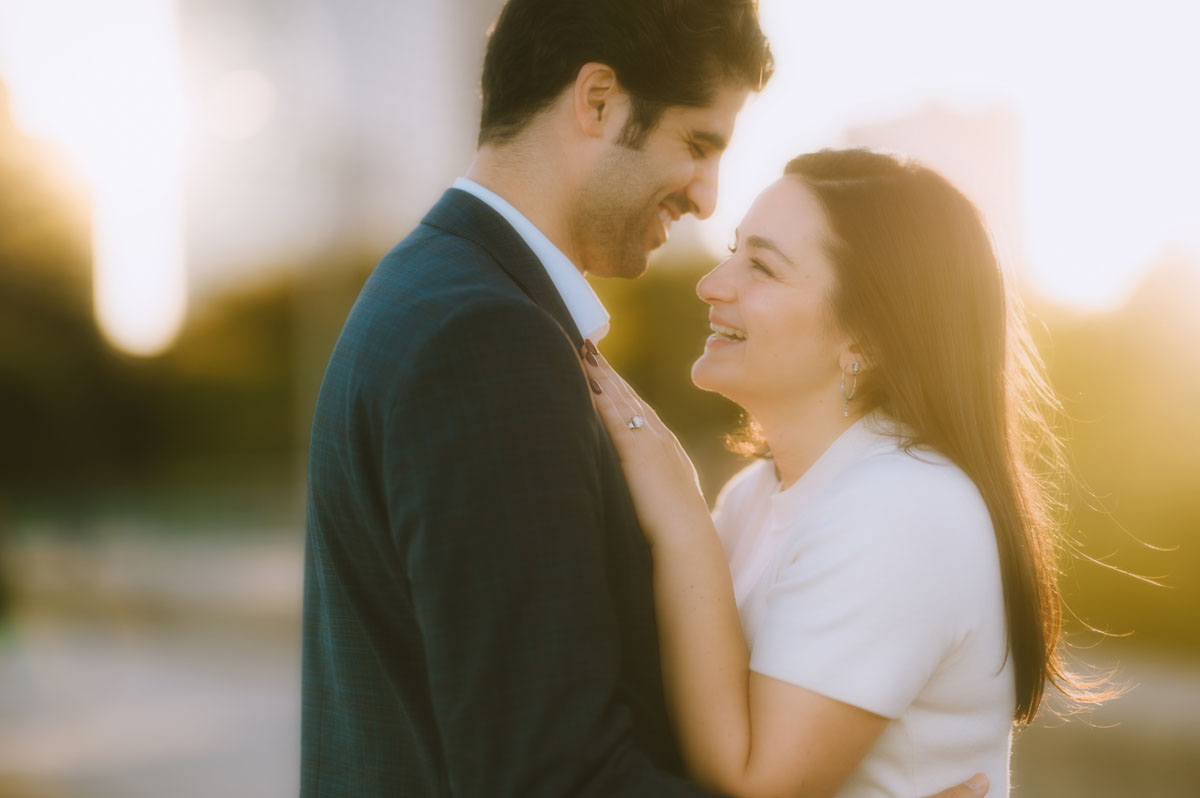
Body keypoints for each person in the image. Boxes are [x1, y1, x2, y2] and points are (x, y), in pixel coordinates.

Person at [301, 0, 990, 794]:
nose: (705, 197)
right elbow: (550, 777)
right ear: (598, 101)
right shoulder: (487, 339)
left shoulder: (435, 290)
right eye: (698, 144)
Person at [584, 149, 1108, 797]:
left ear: (866, 340)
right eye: (732, 251)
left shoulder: (902, 508)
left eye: (762, 267)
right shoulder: (757, 495)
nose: (712, 284)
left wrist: (678, 514)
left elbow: (754, 783)